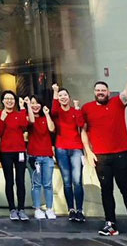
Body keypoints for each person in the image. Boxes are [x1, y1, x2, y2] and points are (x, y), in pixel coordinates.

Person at [82, 63, 127, 238]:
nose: (100, 92)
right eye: (98, 90)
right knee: (106, 190)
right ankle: (111, 224)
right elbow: (83, 131)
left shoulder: (118, 103)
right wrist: (89, 152)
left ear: (108, 92)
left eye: (103, 90)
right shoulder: (87, 108)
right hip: (100, 157)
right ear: (94, 93)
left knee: (125, 188)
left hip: (121, 154)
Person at [50, 83, 86, 222]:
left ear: (69, 98)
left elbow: (81, 124)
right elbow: (53, 111)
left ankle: (80, 210)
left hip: (76, 148)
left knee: (77, 181)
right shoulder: (57, 112)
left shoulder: (74, 110)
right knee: (66, 181)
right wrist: (55, 91)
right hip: (61, 148)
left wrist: (77, 108)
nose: (63, 97)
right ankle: (71, 209)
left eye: (65, 95)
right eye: (60, 96)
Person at [0, 91, 30, 221]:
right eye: (6, 99)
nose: (9, 101)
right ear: (3, 101)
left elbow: (24, 126)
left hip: (20, 150)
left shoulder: (19, 114)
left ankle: (21, 209)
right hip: (6, 152)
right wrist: (2, 119)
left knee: (20, 180)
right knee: (9, 181)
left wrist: (22, 109)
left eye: (11, 99)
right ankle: (12, 209)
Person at [26, 95, 56, 220]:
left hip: (47, 156)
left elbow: (52, 128)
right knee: (36, 184)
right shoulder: (28, 118)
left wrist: (47, 114)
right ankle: (37, 209)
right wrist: (28, 105)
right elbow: (30, 121)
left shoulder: (45, 118)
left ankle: (49, 209)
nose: (35, 105)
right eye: (33, 103)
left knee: (48, 184)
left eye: (37, 103)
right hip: (34, 156)